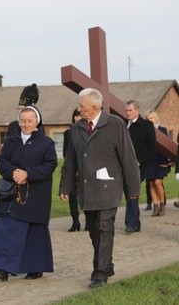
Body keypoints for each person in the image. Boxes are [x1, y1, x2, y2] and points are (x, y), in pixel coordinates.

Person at [59, 88, 140, 288]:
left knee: (105, 227)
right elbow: (70, 160)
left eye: (82, 107)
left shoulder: (115, 125)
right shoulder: (77, 129)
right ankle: (107, 264)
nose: (79, 110)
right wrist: (65, 185)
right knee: (94, 230)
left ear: (95, 107)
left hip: (108, 188)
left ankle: (100, 273)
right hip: (87, 190)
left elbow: (128, 158)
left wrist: (133, 189)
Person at [0, 105, 57, 282]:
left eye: (30, 121)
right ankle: (2, 267)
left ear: (37, 122)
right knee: (6, 228)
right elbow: (1, 159)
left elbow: (50, 165)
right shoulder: (12, 140)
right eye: (23, 121)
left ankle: (35, 267)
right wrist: (15, 173)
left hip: (35, 194)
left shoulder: (46, 143)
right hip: (12, 194)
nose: (26, 124)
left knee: (34, 232)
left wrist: (28, 174)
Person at [124, 100, 156, 233]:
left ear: (137, 110)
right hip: (123, 164)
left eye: (130, 110)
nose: (127, 113)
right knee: (128, 193)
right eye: (126, 110)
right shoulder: (122, 124)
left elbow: (151, 145)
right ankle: (135, 223)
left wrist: (139, 160)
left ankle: (130, 223)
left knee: (132, 193)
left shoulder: (147, 125)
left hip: (138, 165)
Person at [143, 110, 170, 216]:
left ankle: (162, 204)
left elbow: (167, 145)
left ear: (156, 118)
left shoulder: (163, 129)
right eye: (148, 118)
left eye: (151, 118)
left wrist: (166, 161)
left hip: (160, 159)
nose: (149, 120)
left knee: (157, 182)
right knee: (151, 183)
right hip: (149, 159)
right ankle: (155, 206)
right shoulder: (145, 131)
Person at [63, 108, 83, 232]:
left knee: (85, 195)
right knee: (72, 195)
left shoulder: (87, 132)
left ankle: (90, 222)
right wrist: (71, 168)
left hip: (84, 169)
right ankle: (75, 221)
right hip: (71, 168)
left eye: (80, 115)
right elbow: (66, 152)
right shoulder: (68, 133)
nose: (77, 118)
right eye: (76, 115)